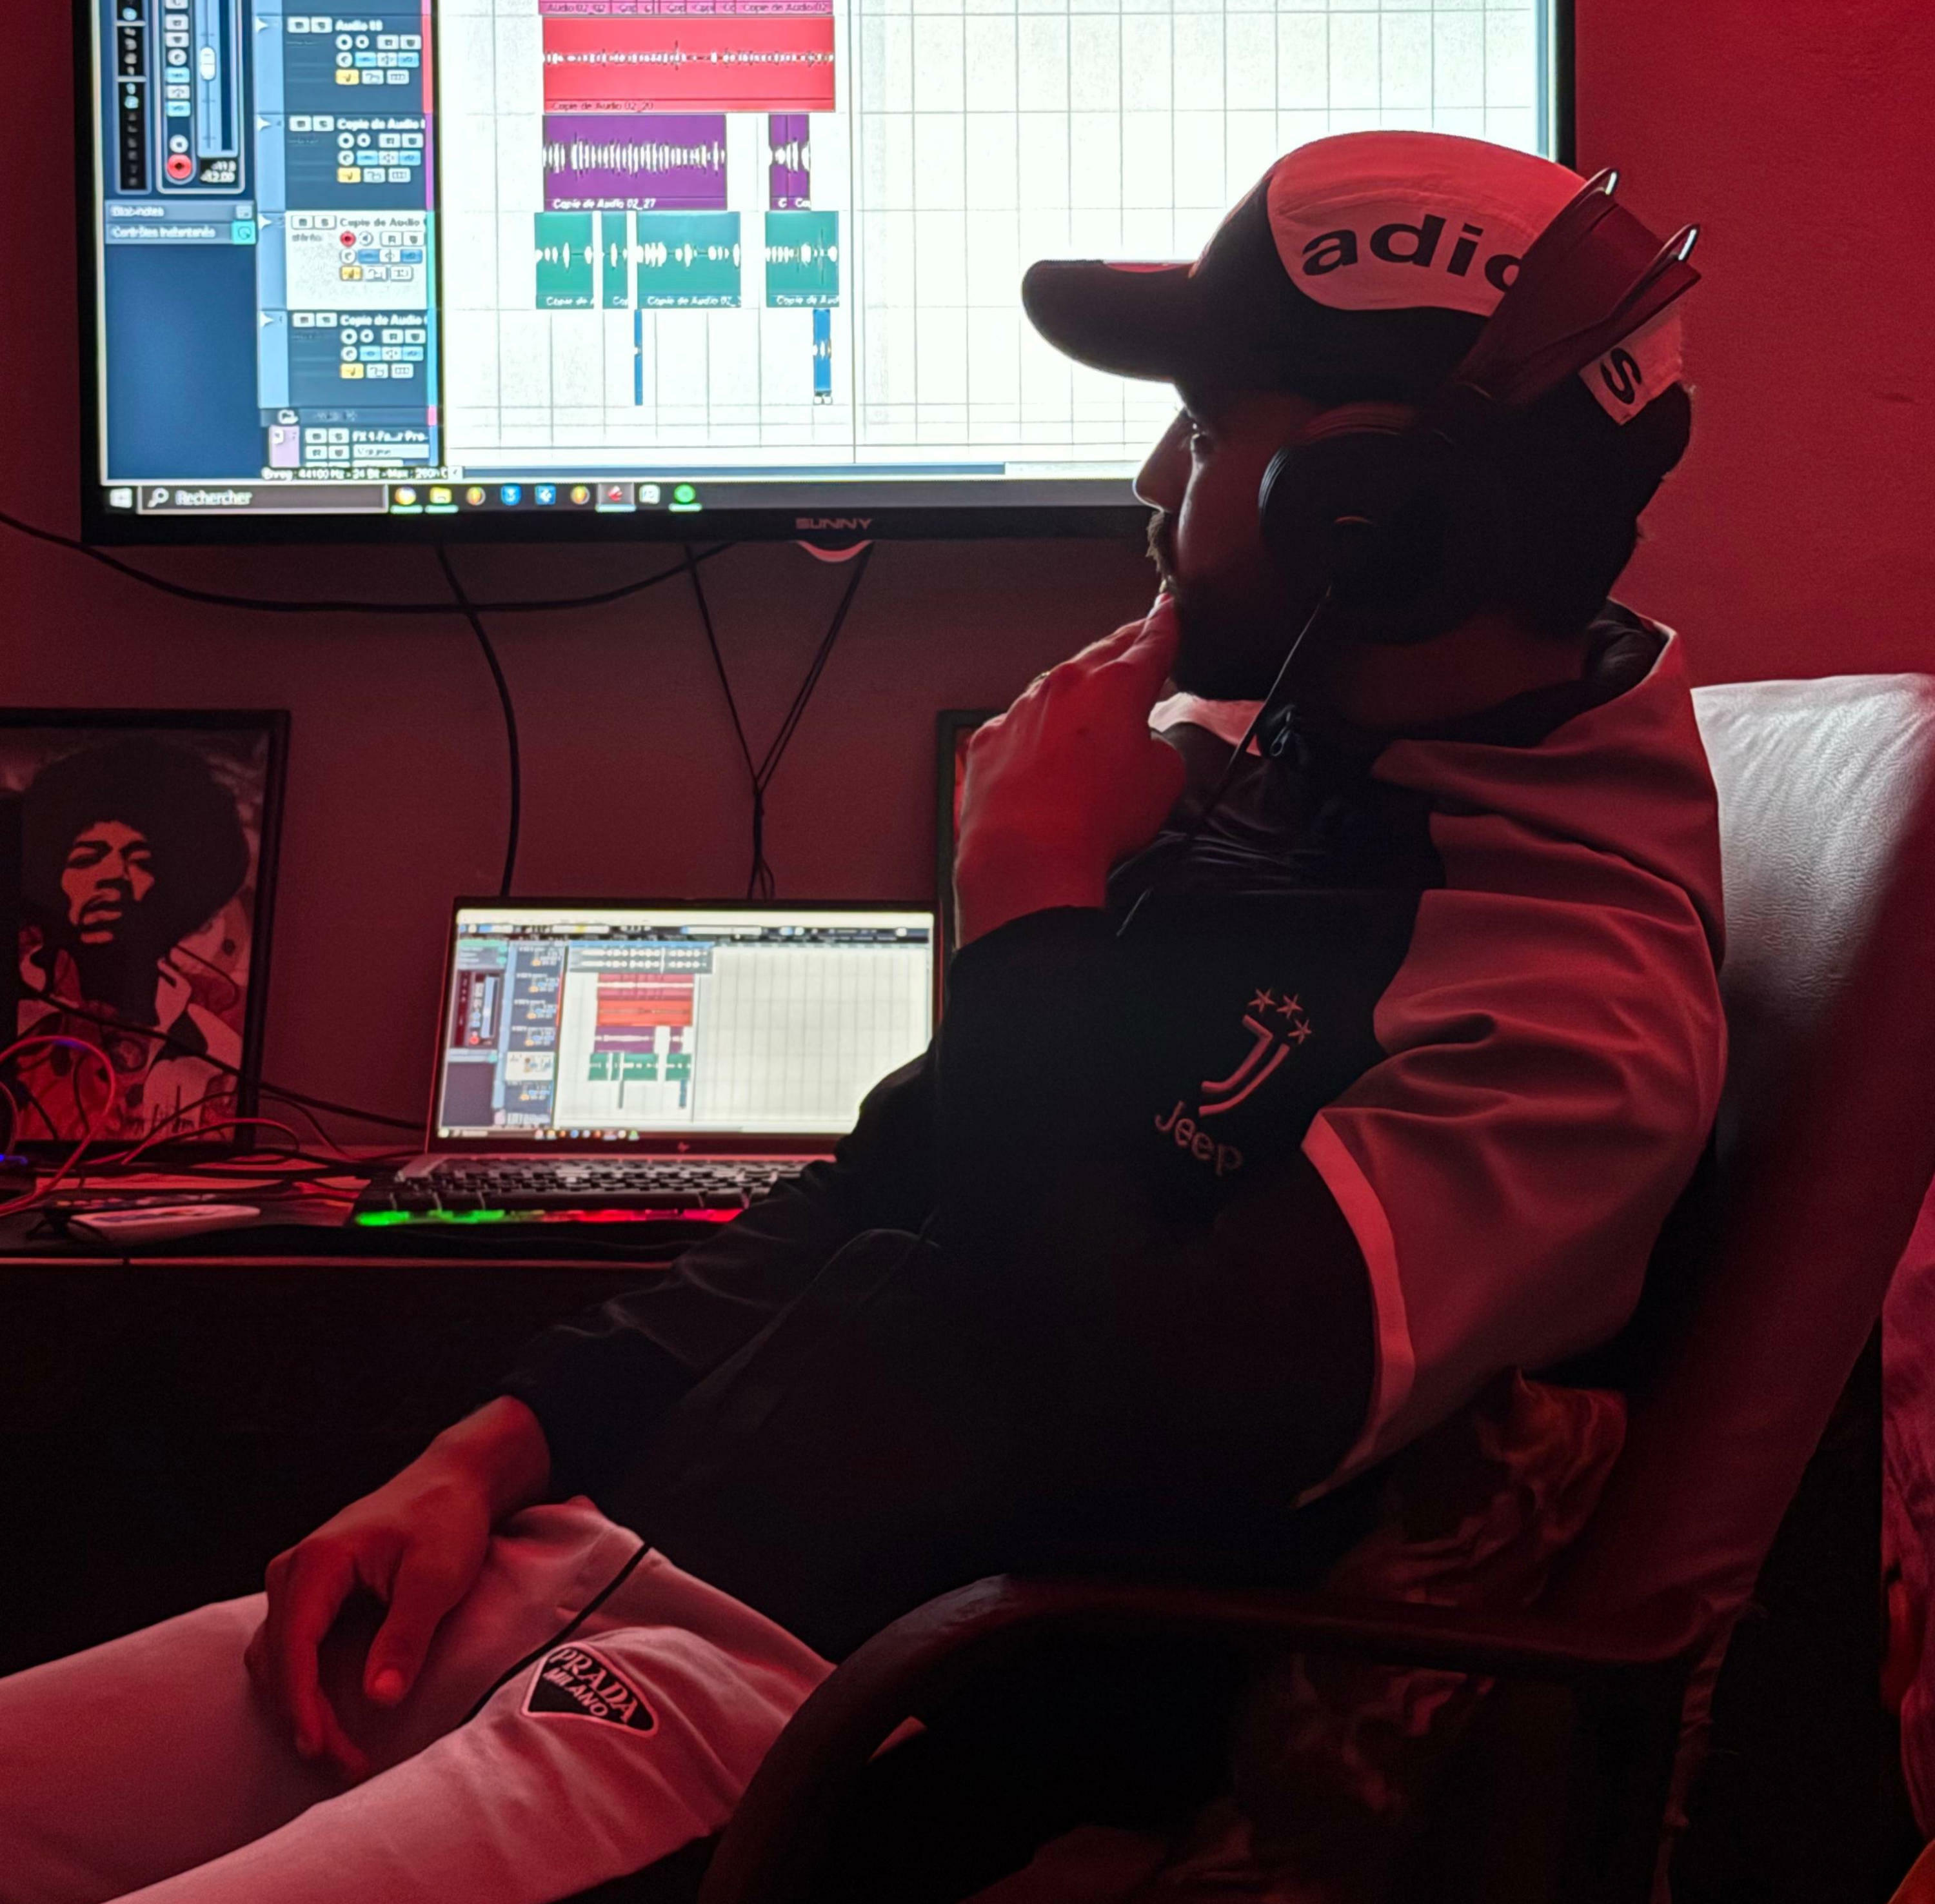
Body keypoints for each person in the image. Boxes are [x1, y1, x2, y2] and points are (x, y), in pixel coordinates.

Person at [0, 132, 1726, 1904]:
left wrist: (1034, 899)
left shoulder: (1567, 1016)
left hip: (825, 1707)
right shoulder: (1289, 792)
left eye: (1208, 428)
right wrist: (486, 1450)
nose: (1151, 478)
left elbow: (1152, 1411)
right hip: (597, 1559)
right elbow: (888, 1187)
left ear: (1377, 514)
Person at [10, 739, 250, 1141]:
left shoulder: (216, 1043)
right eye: (87, 858)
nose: (113, 877)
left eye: (140, 861)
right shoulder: (18, 1018)